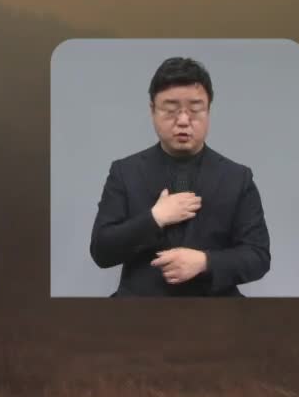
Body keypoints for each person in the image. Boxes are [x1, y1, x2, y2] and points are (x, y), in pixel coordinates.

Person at [88, 56, 271, 296]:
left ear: (208, 111)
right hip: (139, 313)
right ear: (152, 110)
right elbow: (101, 251)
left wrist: (205, 262)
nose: (183, 121)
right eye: (171, 110)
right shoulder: (125, 172)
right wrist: (155, 218)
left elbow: (258, 256)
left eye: (195, 109)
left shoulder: (237, 177)